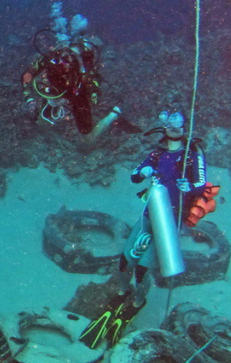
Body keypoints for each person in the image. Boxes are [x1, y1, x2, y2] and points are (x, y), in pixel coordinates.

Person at [79, 111, 209, 348]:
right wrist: (143, 172)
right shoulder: (157, 153)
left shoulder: (193, 155)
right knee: (125, 260)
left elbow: (202, 184)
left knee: (141, 269)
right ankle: (120, 293)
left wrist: (188, 186)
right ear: (164, 127)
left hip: (170, 221)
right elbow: (134, 176)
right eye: (170, 124)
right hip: (149, 214)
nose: (174, 128)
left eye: (179, 124)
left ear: (185, 127)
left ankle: (138, 302)